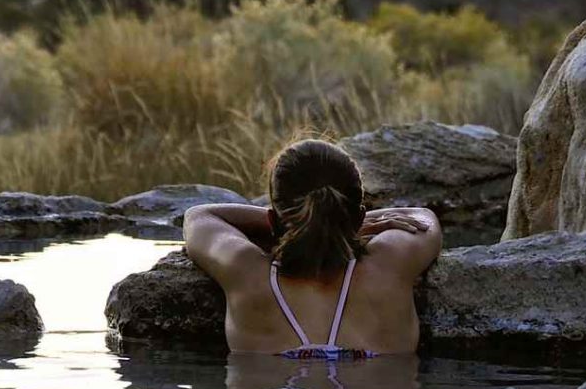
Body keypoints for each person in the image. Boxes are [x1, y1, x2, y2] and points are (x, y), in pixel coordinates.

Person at [182, 137, 442, 358]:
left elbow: (199, 215)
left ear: (273, 220)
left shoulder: (245, 270)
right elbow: (422, 218)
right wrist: (344, 226)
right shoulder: (389, 263)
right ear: (359, 218)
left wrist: (297, 225)